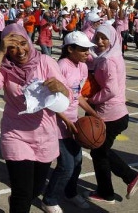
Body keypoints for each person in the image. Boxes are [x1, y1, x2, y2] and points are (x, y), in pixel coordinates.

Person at [0, 24, 70, 213]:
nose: (20, 51)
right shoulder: (5, 69)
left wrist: (59, 87)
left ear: (29, 41)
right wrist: (0, 53)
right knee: (23, 192)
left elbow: (67, 94)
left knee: (35, 190)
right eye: (12, 47)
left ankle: (16, 200)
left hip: (45, 135)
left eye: (23, 43)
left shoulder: (45, 61)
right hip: (16, 134)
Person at [85, 24, 138, 204]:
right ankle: (106, 191)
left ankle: (129, 176)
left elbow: (111, 89)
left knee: (99, 150)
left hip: (111, 114)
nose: (100, 41)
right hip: (113, 112)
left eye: (104, 38)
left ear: (112, 39)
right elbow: (95, 61)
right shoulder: (111, 55)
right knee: (99, 152)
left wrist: (92, 100)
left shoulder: (109, 60)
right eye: (97, 37)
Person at [42, 31, 99, 212]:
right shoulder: (61, 66)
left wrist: (93, 114)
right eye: (83, 49)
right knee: (66, 166)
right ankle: (49, 200)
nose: (87, 53)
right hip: (59, 123)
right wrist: (66, 121)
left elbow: (77, 95)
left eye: (88, 49)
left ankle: (70, 192)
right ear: (70, 49)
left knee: (77, 162)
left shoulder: (82, 67)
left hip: (75, 122)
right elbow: (51, 100)